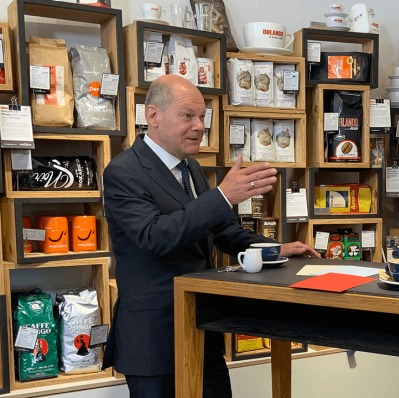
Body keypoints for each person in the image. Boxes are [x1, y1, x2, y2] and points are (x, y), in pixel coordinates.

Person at [101, 74, 318, 398]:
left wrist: (276, 248)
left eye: (203, 117)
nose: (199, 125)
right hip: (154, 341)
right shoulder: (122, 172)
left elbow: (224, 232)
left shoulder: (192, 170)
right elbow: (154, 237)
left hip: (203, 330)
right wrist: (222, 196)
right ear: (153, 116)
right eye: (188, 115)